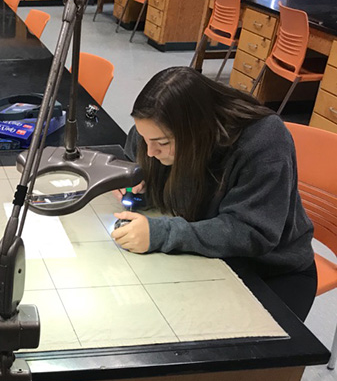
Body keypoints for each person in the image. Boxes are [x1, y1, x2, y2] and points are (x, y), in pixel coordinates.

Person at [111, 66, 316, 320]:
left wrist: (162, 233)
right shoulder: (156, 132)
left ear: (198, 131)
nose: (151, 151)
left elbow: (250, 231)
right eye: (145, 139)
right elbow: (138, 159)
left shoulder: (263, 142)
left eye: (162, 143)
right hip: (204, 249)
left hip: (269, 270)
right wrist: (137, 184)